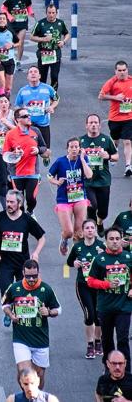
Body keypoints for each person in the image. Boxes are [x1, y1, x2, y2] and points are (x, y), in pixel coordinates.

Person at [0, 190, 46, 323]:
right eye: (7, 201)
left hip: (22, 263)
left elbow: (41, 238)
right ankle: (8, 312)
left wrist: (36, 253)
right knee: (5, 291)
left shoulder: (26, 220)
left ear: (19, 203)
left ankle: (18, 314)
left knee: (22, 292)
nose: (8, 204)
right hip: (5, 263)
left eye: (11, 202)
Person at [2, 259, 60, 390]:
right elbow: (5, 304)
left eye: (34, 276)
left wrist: (49, 312)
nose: (32, 279)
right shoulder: (15, 288)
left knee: (39, 374)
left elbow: (58, 309)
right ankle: (27, 396)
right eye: (28, 276)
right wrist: (11, 315)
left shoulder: (46, 289)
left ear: (39, 273)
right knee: (25, 373)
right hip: (21, 338)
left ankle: (37, 396)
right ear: (23, 273)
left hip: (40, 340)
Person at [87, 227, 132, 370]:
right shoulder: (100, 260)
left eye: (117, 239)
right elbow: (90, 281)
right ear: (106, 241)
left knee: (123, 339)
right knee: (107, 340)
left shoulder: (128, 257)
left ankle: (127, 371)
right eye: (111, 239)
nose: (115, 242)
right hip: (105, 306)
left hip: (124, 306)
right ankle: (109, 369)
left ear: (122, 240)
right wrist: (106, 284)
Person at [67, 219, 105, 359]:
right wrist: (75, 263)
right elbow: (69, 262)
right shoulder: (78, 247)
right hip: (83, 285)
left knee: (99, 316)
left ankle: (98, 341)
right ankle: (90, 344)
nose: (90, 230)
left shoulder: (101, 246)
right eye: (87, 228)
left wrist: (103, 256)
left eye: (92, 227)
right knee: (89, 315)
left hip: (98, 285)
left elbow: (108, 265)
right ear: (82, 231)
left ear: (95, 230)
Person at [48, 137, 93, 255]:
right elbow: (49, 176)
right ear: (67, 149)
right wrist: (57, 182)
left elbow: (89, 175)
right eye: (71, 147)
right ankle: (64, 240)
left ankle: (76, 255)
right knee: (68, 232)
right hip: (64, 199)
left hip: (79, 198)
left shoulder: (83, 159)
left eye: (76, 147)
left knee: (79, 232)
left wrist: (83, 159)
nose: (74, 149)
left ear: (79, 148)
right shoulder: (60, 161)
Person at [2, 107, 51, 215]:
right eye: (25, 116)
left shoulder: (35, 131)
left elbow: (44, 147)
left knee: (31, 198)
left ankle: (30, 212)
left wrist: (38, 150)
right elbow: (5, 153)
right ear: (17, 119)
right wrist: (14, 154)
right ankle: (23, 219)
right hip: (17, 173)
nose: (29, 117)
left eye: (29, 115)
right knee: (19, 201)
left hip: (32, 172)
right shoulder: (11, 134)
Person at [80, 114, 119, 229]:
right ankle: (91, 230)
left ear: (100, 125)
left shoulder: (106, 139)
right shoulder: (81, 140)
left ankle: (100, 222)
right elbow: (72, 156)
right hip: (87, 181)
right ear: (86, 125)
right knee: (92, 206)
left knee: (103, 212)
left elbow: (116, 156)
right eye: (91, 123)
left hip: (103, 180)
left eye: (96, 123)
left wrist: (108, 156)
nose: (93, 125)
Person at [14, 66, 58, 157]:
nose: (33, 73)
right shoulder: (22, 91)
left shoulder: (47, 88)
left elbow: (57, 99)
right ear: (27, 77)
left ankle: (42, 154)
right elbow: (17, 106)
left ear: (39, 76)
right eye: (30, 72)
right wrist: (21, 113)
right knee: (28, 150)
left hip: (43, 123)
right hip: (28, 124)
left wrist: (52, 107)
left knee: (46, 154)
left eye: (35, 72)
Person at [99, 60, 132, 178]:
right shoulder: (112, 82)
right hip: (115, 118)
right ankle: (114, 152)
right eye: (119, 70)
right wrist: (115, 97)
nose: (122, 72)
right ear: (115, 71)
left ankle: (128, 166)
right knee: (115, 141)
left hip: (129, 117)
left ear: (127, 70)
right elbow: (101, 96)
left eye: (124, 70)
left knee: (127, 141)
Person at [30, 4, 69, 91]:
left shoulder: (60, 23)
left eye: (53, 13)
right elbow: (32, 37)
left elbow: (67, 33)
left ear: (56, 13)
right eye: (49, 13)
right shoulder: (40, 23)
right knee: (42, 76)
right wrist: (43, 39)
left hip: (55, 53)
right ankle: (42, 94)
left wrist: (63, 41)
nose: (51, 15)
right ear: (46, 13)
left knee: (54, 76)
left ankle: (53, 96)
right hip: (44, 53)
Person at [1, 0, 34, 72]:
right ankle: (8, 60)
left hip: (22, 23)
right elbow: (3, 8)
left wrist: (31, 12)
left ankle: (18, 61)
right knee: (10, 42)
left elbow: (28, 6)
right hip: (12, 23)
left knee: (20, 41)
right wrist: (9, 16)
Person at [0, 12, 20, 97]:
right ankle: (0, 100)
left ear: (6, 21)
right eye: (0, 18)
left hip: (9, 60)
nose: (2, 20)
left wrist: (12, 45)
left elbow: (18, 43)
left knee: (8, 87)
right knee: (1, 82)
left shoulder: (10, 32)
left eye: (4, 18)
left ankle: (6, 100)